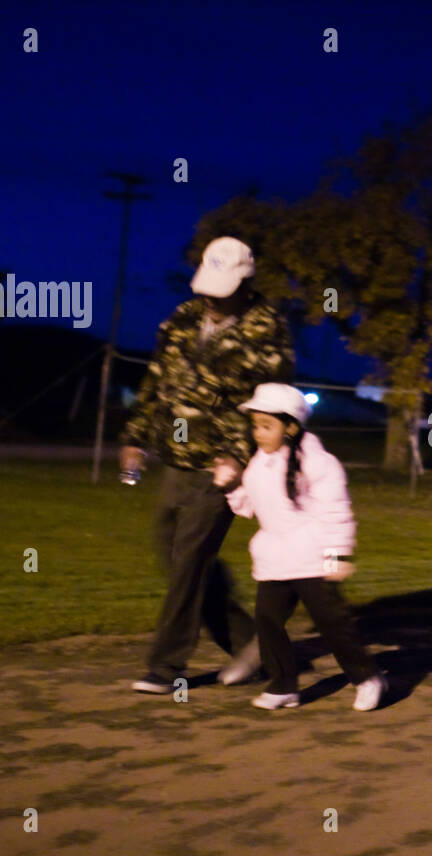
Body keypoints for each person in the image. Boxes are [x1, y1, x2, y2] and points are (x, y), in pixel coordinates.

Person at [121, 236, 294, 694]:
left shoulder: (268, 330)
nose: (211, 299)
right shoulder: (183, 319)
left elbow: (272, 408)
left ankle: (166, 666)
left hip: (221, 466)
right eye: (207, 288)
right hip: (176, 456)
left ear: (246, 283)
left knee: (190, 562)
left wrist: (239, 454)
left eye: (222, 291)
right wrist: (136, 438)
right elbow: (156, 378)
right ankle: (252, 642)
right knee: (174, 554)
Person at [226, 383, 387, 711]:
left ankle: (368, 678)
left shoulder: (318, 461)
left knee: (333, 622)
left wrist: (337, 557)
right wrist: (231, 484)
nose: (258, 433)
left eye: (266, 426)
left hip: (316, 557)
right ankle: (283, 685)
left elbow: (336, 511)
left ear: (291, 427)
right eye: (255, 425)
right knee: (267, 621)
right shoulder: (260, 461)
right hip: (276, 558)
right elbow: (249, 507)